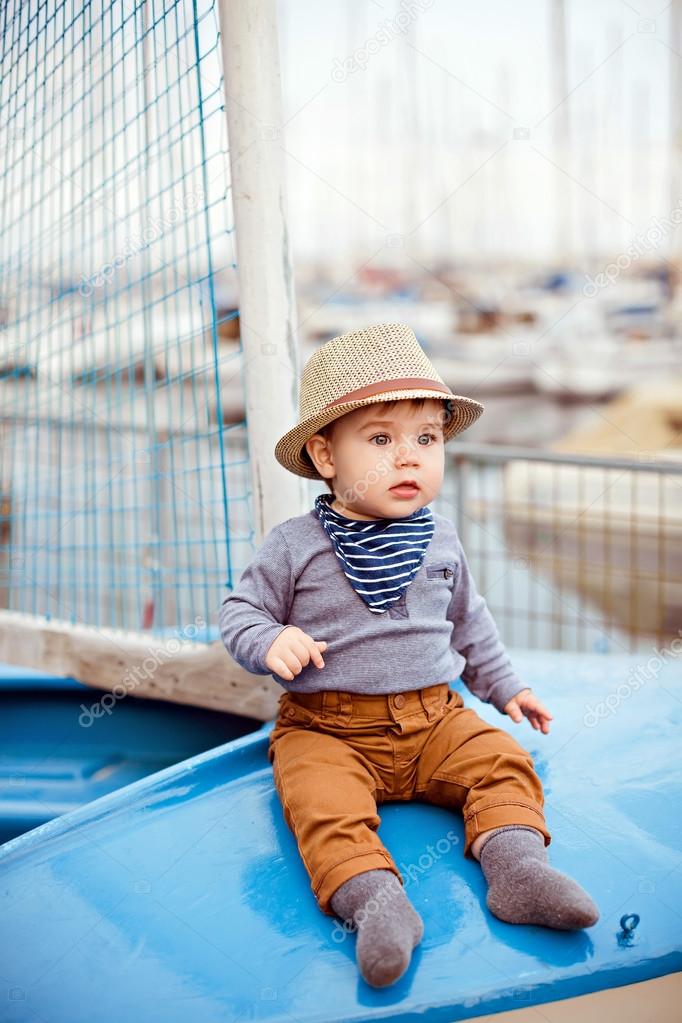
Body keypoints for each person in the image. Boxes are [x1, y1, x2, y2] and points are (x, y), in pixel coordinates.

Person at [219, 323, 599, 989]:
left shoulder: (441, 538)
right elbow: (239, 612)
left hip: (436, 719)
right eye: (380, 438)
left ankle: (517, 869)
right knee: (320, 802)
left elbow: (468, 621)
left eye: (426, 438)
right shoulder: (295, 544)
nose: (409, 457)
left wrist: (506, 686)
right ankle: (376, 901)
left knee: (502, 761)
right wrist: (270, 639)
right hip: (327, 726)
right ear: (325, 454)